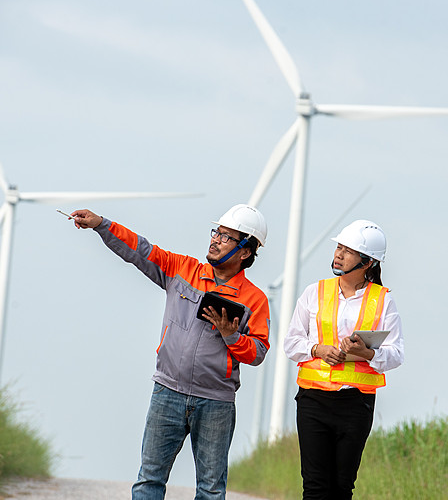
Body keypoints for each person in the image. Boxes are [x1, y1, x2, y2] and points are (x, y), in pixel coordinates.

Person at [70, 204, 270, 500]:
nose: (215, 239)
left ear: (245, 251)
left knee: (211, 490)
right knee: (149, 481)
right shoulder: (183, 269)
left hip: (216, 403)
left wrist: (230, 335)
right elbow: (141, 250)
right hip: (168, 392)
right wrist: (102, 224)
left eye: (226, 237)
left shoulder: (255, 299)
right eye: (216, 232)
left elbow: (258, 353)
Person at [283, 219, 404, 500]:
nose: (338, 254)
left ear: (367, 262)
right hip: (313, 400)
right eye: (338, 248)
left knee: (341, 488)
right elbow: (291, 343)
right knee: (314, 487)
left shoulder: (384, 300)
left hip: (356, 405)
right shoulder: (314, 292)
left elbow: (396, 353)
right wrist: (318, 350)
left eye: (347, 251)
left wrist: (368, 353)